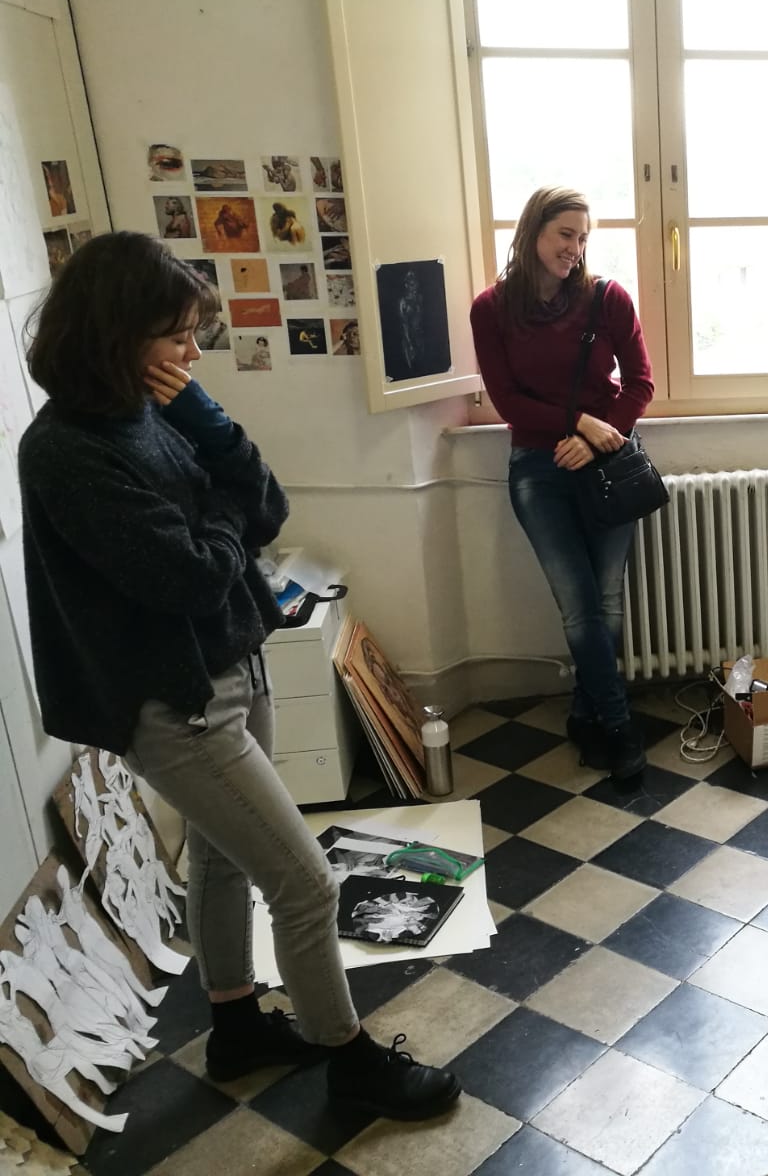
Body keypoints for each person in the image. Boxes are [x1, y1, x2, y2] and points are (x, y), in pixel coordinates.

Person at [16, 231, 459, 1120]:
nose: (191, 353)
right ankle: (348, 1060)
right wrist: (226, 519)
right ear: (114, 334)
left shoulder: (149, 410)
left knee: (220, 859)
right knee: (306, 883)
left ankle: (236, 1026)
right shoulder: (63, 449)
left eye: (194, 334)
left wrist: (208, 422)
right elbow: (186, 574)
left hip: (232, 663)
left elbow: (269, 504)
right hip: (175, 701)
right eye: (176, 335)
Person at [470, 187, 655, 780]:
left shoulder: (608, 298)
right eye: (565, 235)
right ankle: (620, 727)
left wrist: (598, 436)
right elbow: (507, 401)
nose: (575, 249)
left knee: (606, 600)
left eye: (583, 238)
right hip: (538, 467)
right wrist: (578, 422)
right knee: (578, 606)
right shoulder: (491, 309)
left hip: (608, 462)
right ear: (532, 233)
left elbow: (641, 382)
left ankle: (586, 713)